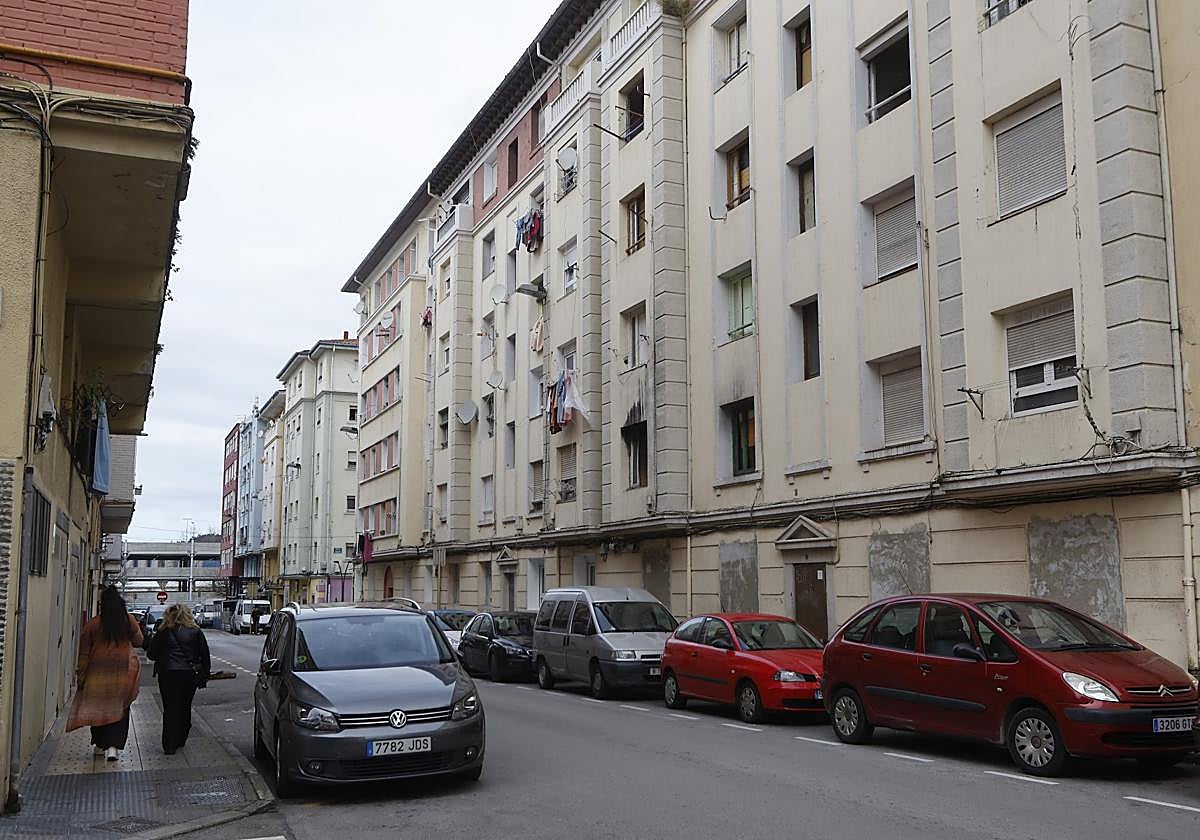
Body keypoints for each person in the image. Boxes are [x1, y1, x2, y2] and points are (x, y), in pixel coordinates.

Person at [66, 586, 143, 761]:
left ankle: (100, 744)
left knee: (98, 707)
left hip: (97, 673)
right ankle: (113, 747)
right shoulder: (128, 621)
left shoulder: (93, 624)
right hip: (124, 672)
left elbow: (84, 652)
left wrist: (81, 675)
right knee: (120, 708)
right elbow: (139, 641)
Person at [147, 603, 211, 755]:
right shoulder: (195, 631)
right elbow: (204, 655)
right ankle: (181, 737)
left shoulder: (162, 632)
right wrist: (204, 674)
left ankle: (169, 744)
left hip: (167, 673)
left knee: (170, 708)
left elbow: (151, 654)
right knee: (185, 706)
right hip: (189, 674)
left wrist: (164, 656)